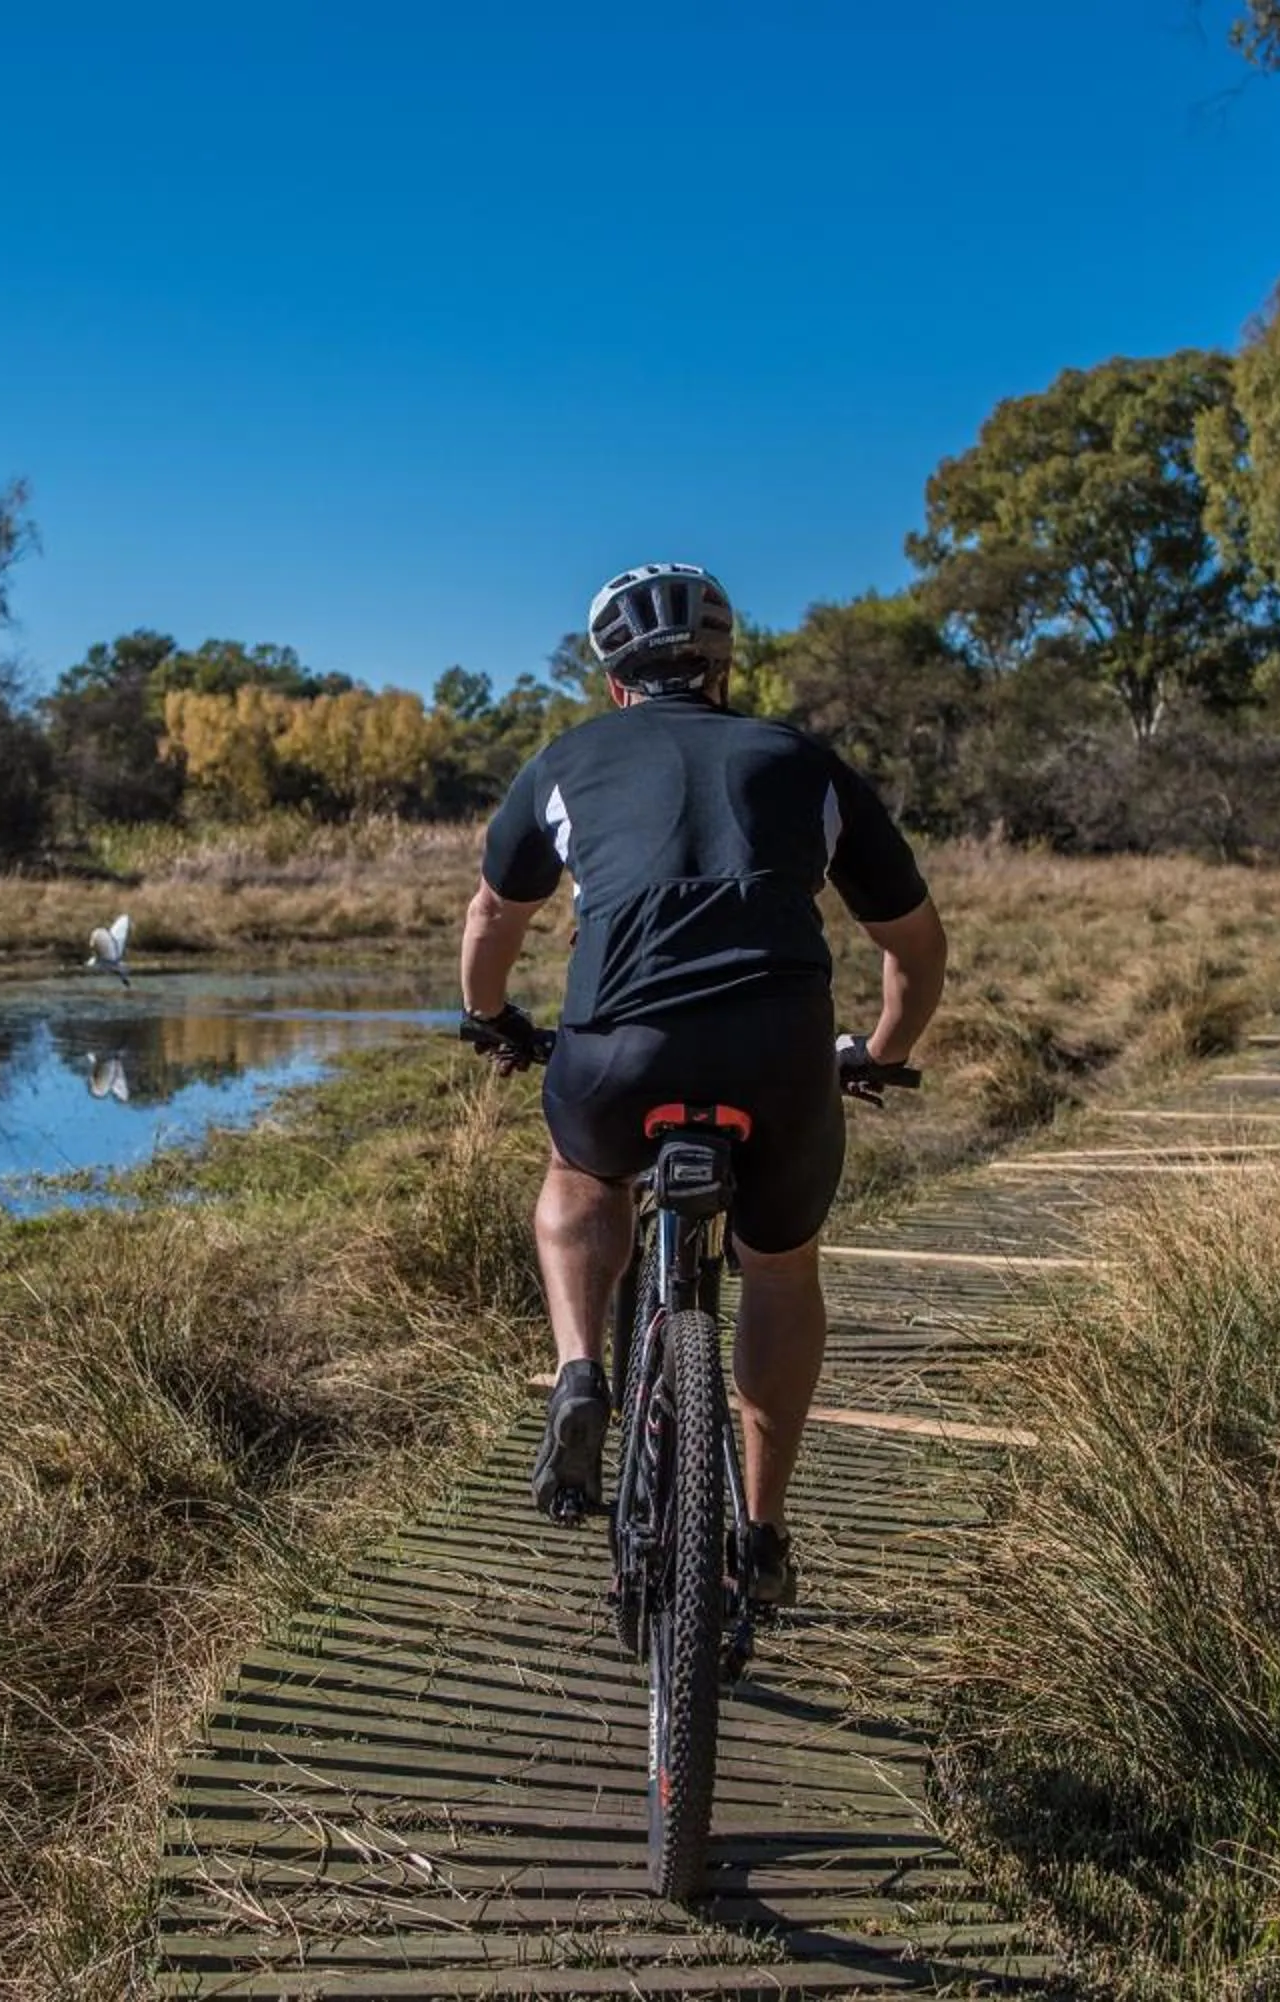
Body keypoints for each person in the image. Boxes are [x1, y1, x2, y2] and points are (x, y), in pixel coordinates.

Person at [457, 561, 947, 1607]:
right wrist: (882, 1050)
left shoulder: (566, 762)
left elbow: (493, 917)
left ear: (614, 681)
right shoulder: (802, 763)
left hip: (617, 1051)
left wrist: (492, 1017)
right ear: (724, 668)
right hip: (779, 1056)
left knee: (580, 1173)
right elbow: (913, 945)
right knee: (780, 1270)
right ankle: (761, 1536)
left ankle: (579, 1369)